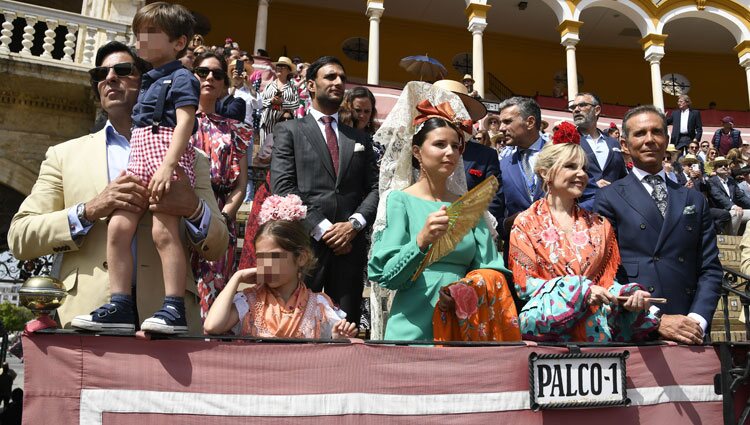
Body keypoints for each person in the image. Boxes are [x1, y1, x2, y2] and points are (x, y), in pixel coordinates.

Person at [8, 41, 228, 333]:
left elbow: (220, 244)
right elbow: (20, 237)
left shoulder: (192, 157)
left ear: (149, 82)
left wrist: (193, 208)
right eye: (101, 74)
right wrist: (89, 210)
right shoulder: (64, 155)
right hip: (88, 313)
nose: (110, 78)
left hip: (170, 323)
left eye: (123, 70)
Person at [71, 3, 203, 334]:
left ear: (179, 42)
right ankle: (119, 303)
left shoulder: (183, 76)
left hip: (162, 156)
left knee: (163, 231)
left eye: (151, 33)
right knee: (117, 227)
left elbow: (186, 122)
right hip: (140, 157)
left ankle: (173, 306)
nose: (141, 39)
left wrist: (168, 166)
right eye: (139, 33)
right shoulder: (149, 79)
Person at [368, 82, 520, 341]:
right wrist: (421, 241)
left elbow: (492, 269)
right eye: (439, 144)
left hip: (462, 329)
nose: (450, 152)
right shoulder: (398, 201)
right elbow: (386, 277)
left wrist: (465, 290)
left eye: (456, 145)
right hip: (411, 329)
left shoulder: (469, 206)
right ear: (417, 151)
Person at [509, 123, 658, 342]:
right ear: (545, 173)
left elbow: (607, 284)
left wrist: (628, 294)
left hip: (596, 334)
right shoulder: (525, 223)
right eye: (570, 166)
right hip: (549, 336)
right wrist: (581, 291)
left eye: (583, 169)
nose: (581, 174)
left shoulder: (600, 225)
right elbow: (525, 285)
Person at [594, 105, 722, 345]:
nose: (649, 140)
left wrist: (696, 320)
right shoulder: (609, 197)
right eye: (640, 133)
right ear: (624, 144)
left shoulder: (693, 199)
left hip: (690, 330)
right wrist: (656, 320)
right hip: (638, 328)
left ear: (667, 139)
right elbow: (606, 272)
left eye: (656, 132)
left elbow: (710, 268)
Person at [271, 56, 379, 325]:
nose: (339, 82)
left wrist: (354, 225)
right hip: (305, 248)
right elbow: (283, 187)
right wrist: (324, 230)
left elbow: (375, 188)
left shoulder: (360, 138)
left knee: (344, 331)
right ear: (310, 85)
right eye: (330, 77)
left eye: (342, 77)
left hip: (349, 249)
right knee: (294, 327)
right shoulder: (289, 131)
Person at [204, 194, 359, 338]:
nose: (266, 264)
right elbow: (212, 326)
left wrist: (337, 337)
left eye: (275, 256)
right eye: (260, 257)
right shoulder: (249, 301)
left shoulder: (319, 305)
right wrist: (237, 278)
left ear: (301, 258)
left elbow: (331, 348)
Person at [190, 52, 253, 317]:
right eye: (203, 72)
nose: (210, 78)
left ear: (224, 83)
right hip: (180, 208)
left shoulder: (234, 129)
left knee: (213, 286)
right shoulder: (175, 122)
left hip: (218, 210)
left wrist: (223, 215)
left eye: (217, 74)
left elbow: (241, 183)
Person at [494, 96, 597, 235]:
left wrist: (565, 215)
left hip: (567, 244)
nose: (501, 128)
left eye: (507, 122)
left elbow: (593, 197)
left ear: (530, 122)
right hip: (519, 248)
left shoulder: (564, 153)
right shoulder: (502, 164)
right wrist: (507, 224)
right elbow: (496, 216)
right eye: (501, 122)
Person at [570, 92, 627, 188]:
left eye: (582, 105)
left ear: (597, 110)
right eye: (573, 107)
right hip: (582, 201)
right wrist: (592, 186)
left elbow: (622, 176)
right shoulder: (569, 141)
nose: (576, 110)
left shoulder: (613, 143)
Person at [259, 56, 299, 145]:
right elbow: (261, 102)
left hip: (284, 123)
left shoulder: (292, 88)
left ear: (288, 71)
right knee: (265, 152)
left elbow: (296, 104)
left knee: (281, 149)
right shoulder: (269, 86)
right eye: (278, 66)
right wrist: (271, 101)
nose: (279, 69)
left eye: (283, 67)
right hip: (267, 123)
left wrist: (283, 103)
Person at [707, 156, 750, 235]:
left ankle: (745, 240)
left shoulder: (731, 180)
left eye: (726, 165)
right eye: (720, 165)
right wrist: (733, 206)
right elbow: (719, 196)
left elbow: (741, 196)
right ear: (715, 169)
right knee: (736, 213)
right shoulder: (711, 181)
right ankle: (732, 238)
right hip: (721, 211)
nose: (724, 167)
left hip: (734, 210)